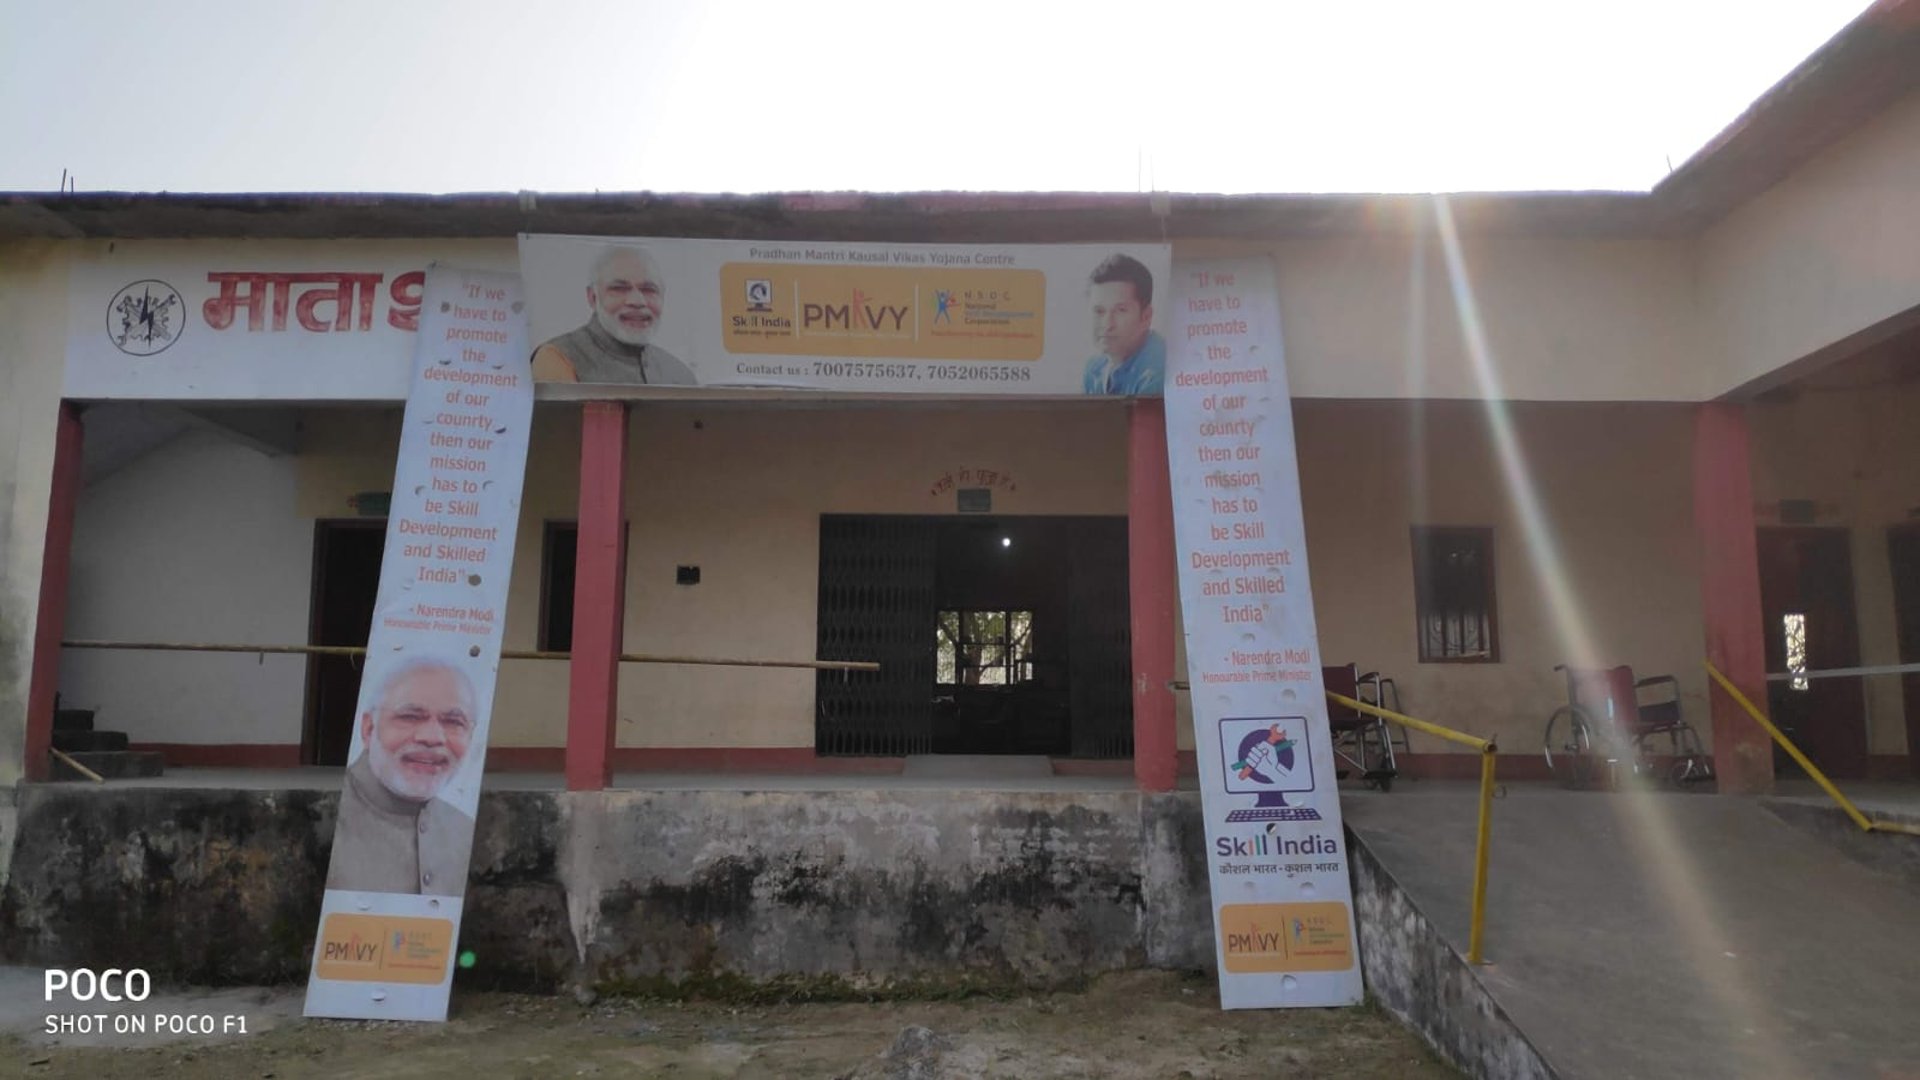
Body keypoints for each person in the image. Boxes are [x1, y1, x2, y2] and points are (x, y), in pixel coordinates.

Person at [325, 657, 479, 896]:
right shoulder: (326, 816)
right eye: (410, 716)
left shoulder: (462, 828)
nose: (432, 737)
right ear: (368, 729)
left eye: (453, 721)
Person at [531, 245, 698, 385]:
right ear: (592, 297)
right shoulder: (559, 357)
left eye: (648, 290)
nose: (637, 301)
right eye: (619, 289)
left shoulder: (679, 374)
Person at [1081, 253, 1165, 396]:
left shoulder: (1157, 373)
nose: (1107, 325)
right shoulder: (1093, 368)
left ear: (1146, 317)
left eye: (1121, 310)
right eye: (1099, 311)